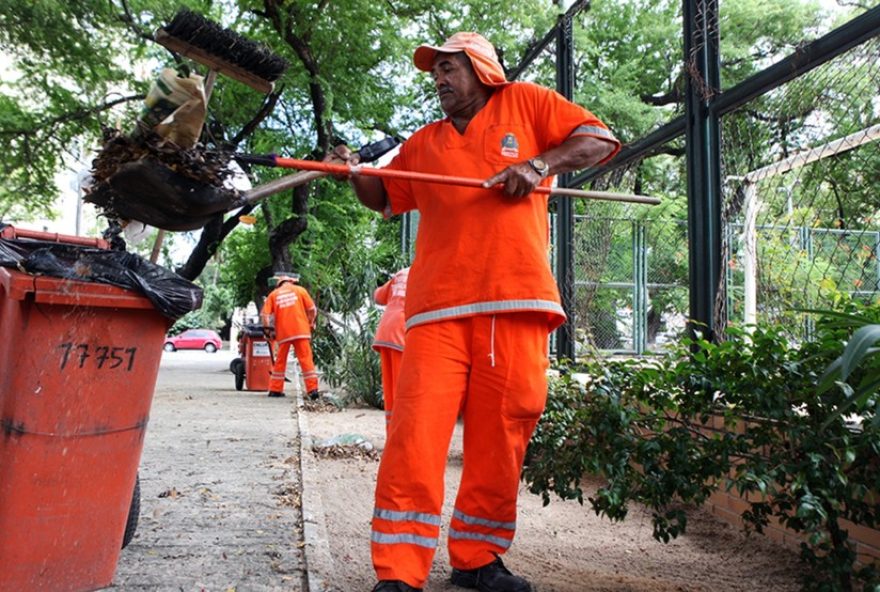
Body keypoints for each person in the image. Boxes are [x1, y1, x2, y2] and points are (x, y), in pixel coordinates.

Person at [329, 31, 620, 592]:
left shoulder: (527, 103)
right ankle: (398, 573)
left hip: (517, 303)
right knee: (414, 438)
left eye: (448, 69)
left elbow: (598, 139)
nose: (438, 79)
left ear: (482, 69)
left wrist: (538, 165)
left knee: (501, 436)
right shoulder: (424, 143)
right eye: (434, 71)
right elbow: (387, 197)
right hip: (437, 311)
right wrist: (352, 174)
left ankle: (477, 558)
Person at [260, 272, 320, 400]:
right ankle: (312, 390)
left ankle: (275, 390)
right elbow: (312, 310)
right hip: (301, 331)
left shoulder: (273, 295)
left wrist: (268, 331)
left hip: (283, 334)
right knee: (306, 360)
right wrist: (310, 323)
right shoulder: (300, 290)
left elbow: (265, 316)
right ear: (291, 281)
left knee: (280, 361)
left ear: (279, 284)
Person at [371, 266, 410, 431]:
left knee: (390, 389)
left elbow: (378, 296)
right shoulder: (427, 273)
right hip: (402, 333)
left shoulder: (402, 273)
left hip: (385, 332)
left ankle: (392, 436)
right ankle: (400, 437)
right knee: (403, 390)